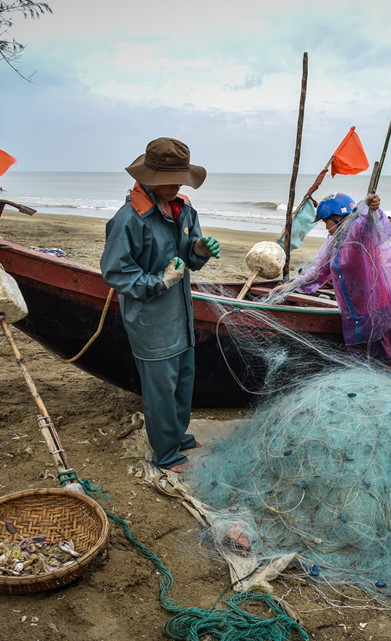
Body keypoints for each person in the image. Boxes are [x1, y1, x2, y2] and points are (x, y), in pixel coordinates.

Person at [100, 138, 220, 473]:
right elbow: (115, 271)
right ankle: (165, 454)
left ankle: (177, 436)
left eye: (181, 178)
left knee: (183, 379)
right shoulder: (130, 219)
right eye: (172, 179)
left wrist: (199, 250)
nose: (179, 185)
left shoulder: (183, 208)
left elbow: (190, 256)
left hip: (181, 314)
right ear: (149, 178)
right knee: (160, 389)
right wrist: (159, 281)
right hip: (150, 319)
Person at [273, 192, 391, 370]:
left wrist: (374, 209)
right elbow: (319, 271)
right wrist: (293, 284)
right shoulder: (334, 242)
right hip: (353, 314)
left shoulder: (359, 232)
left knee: (383, 366)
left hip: (375, 312)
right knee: (362, 366)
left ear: (337, 217)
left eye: (326, 221)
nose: (325, 226)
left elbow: (378, 227)